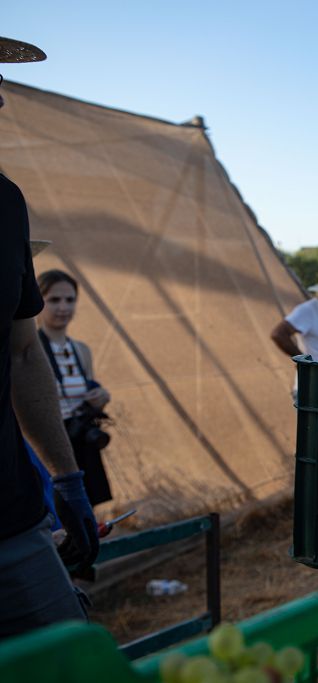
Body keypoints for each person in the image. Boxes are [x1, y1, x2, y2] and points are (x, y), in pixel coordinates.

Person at [1, 35, 98, 639]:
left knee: (70, 658)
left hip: (9, 523)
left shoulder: (4, 204)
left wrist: (65, 477)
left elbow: (22, 350)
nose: (1, 100)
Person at [37, 269, 113, 506]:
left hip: (81, 440)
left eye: (70, 300)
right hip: (47, 445)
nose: (63, 307)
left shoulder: (81, 350)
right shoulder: (31, 351)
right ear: (39, 302)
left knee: (88, 511)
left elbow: (88, 388)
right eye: (54, 300)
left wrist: (100, 397)